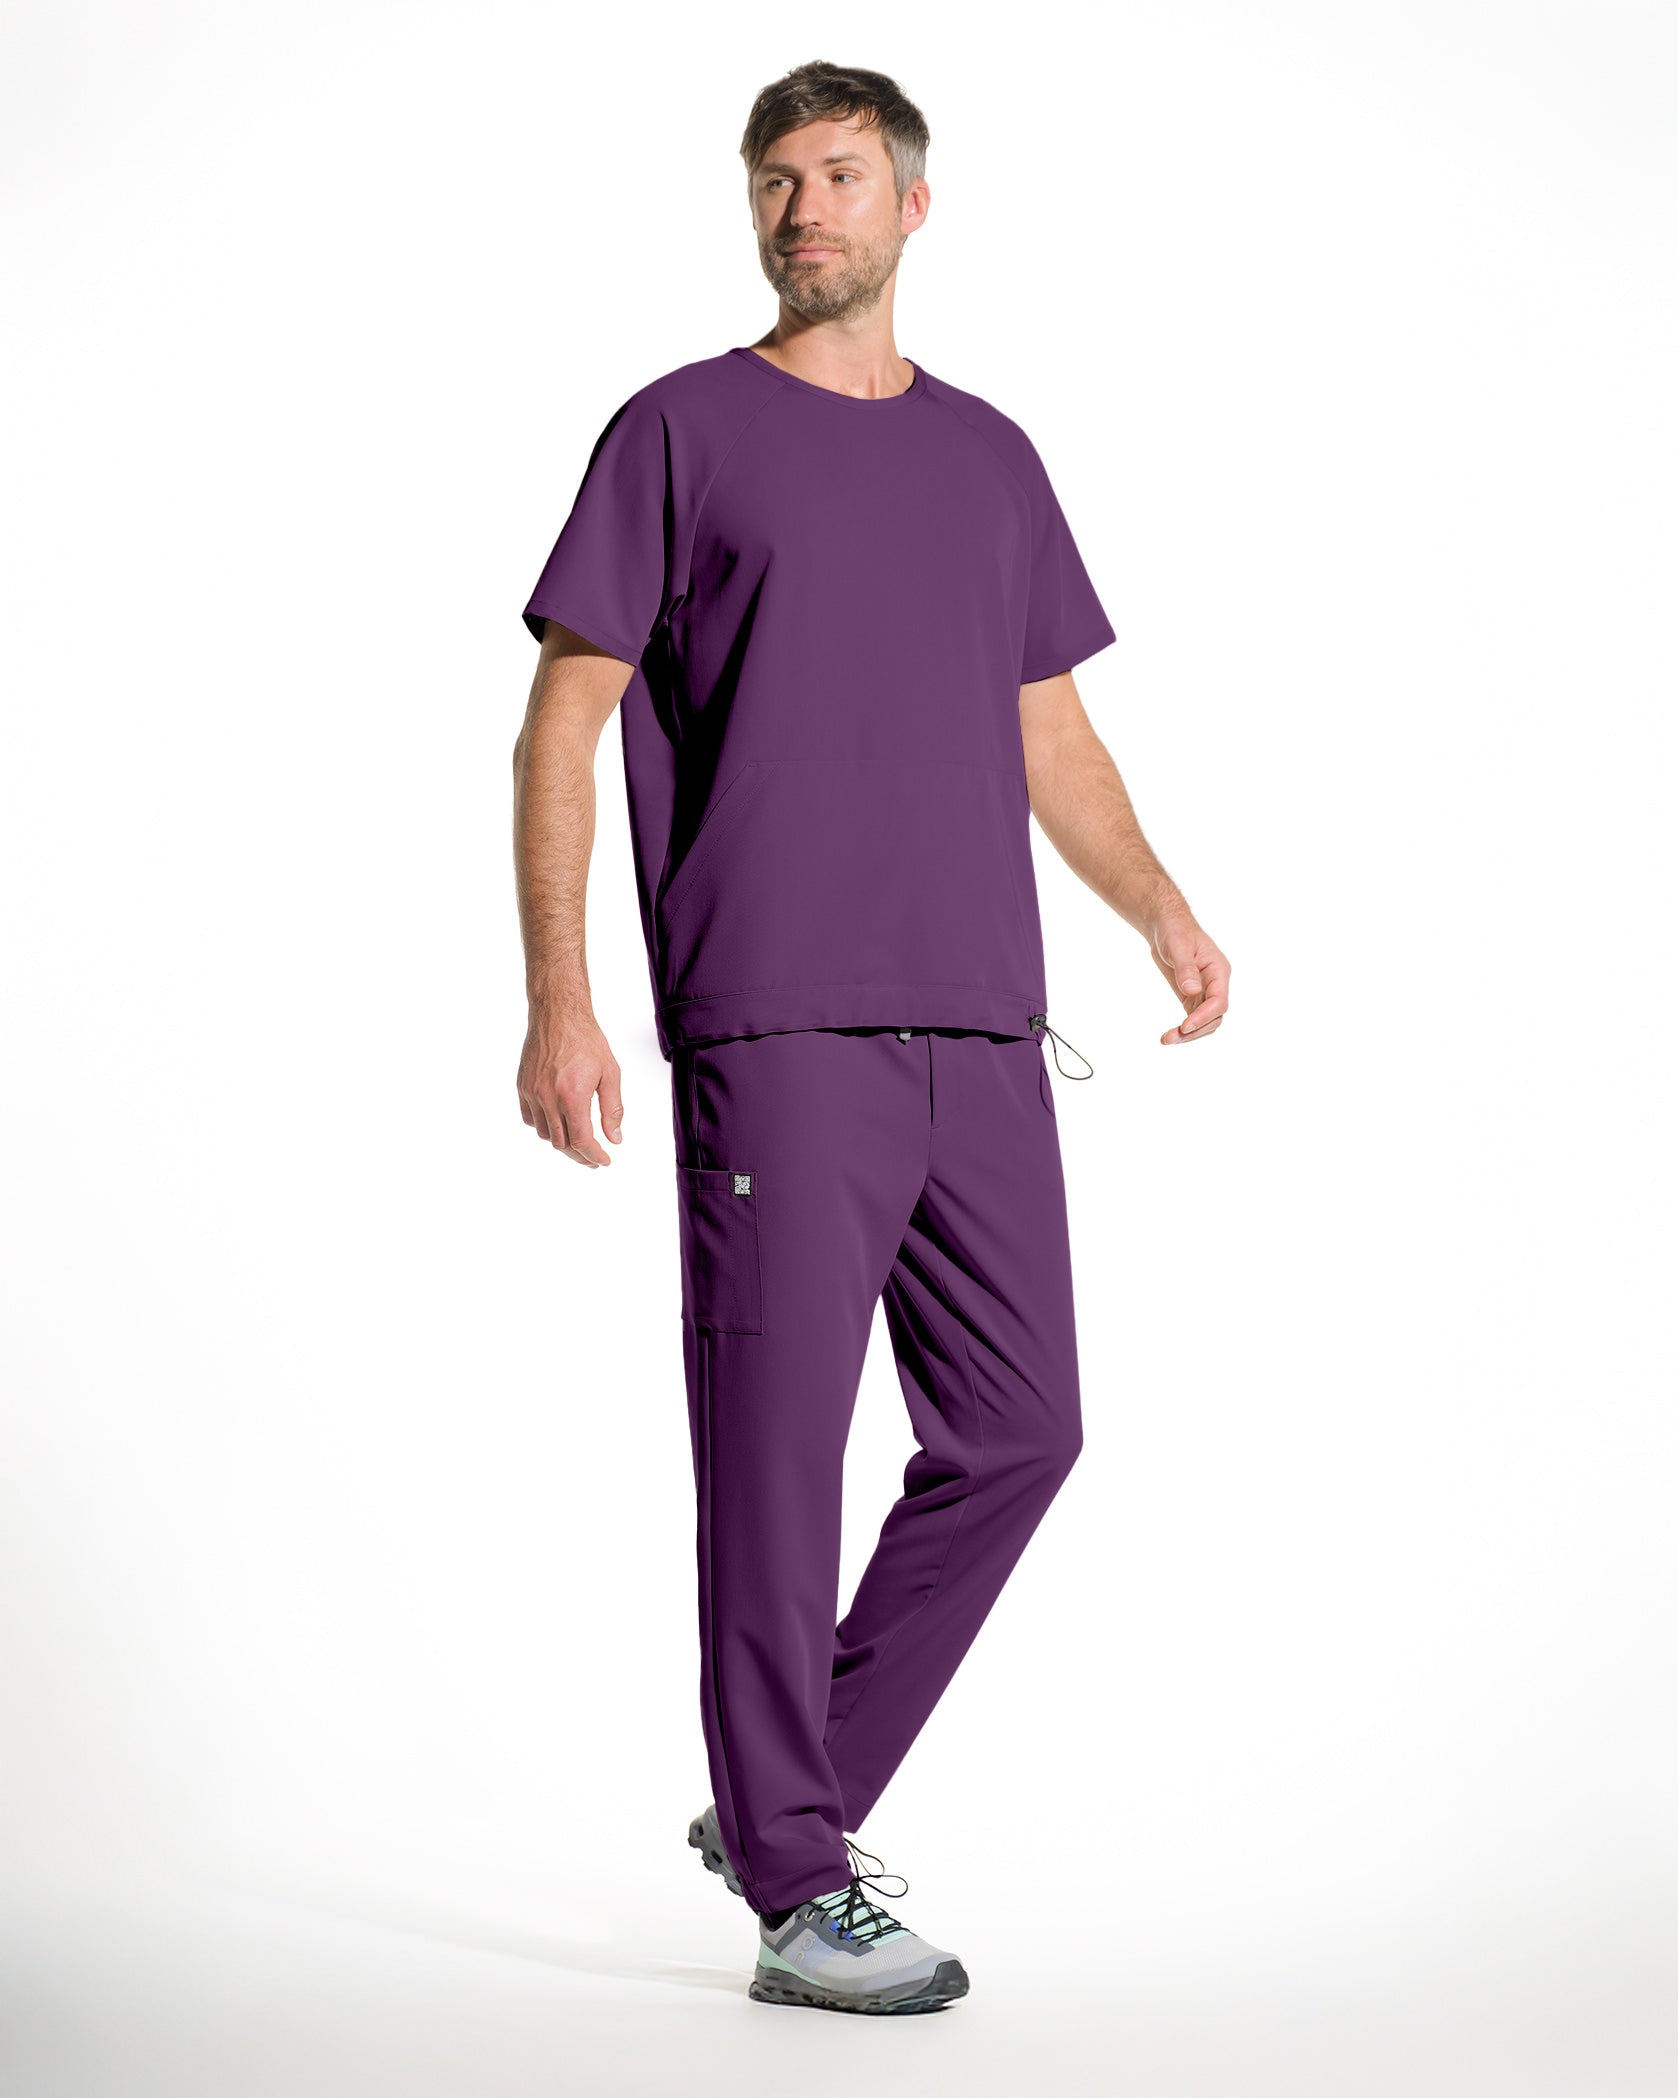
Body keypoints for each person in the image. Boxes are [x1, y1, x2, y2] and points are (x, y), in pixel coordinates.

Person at [511, 59, 1231, 2017]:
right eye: (773, 178)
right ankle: (795, 1880)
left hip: (981, 1022)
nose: (799, 207)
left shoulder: (990, 457)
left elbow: (1047, 731)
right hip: (778, 1020)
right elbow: (564, 717)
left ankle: (781, 1790)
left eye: (835, 174)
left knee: (1017, 1428)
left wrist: (1157, 904)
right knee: (775, 1464)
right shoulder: (677, 430)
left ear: (913, 206)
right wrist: (563, 993)